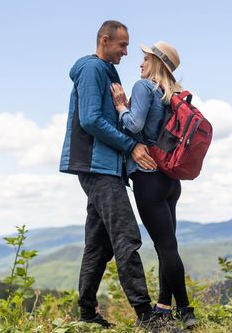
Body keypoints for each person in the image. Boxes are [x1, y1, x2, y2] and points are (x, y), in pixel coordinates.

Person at [60, 21, 177, 332]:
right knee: (127, 237)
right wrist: (131, 146)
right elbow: (90, 120)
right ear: (104, 40)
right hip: (96, 166)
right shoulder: (92, 69)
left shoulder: (106, 71)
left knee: (100, 243)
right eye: (122, 45)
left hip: (107, 167)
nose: (126, 52)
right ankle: (147, 317)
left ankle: (86, 313)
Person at [110, 41, 198, 329]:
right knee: (168, 247)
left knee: (165, 248)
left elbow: (134, 125)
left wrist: (121, 107)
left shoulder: (143, 87)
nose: (140, 63)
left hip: (148, 178)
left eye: (145, 58)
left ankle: (186, 311)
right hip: (170, 180)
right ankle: (164, 305)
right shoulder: (171, 94)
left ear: (156, 62)